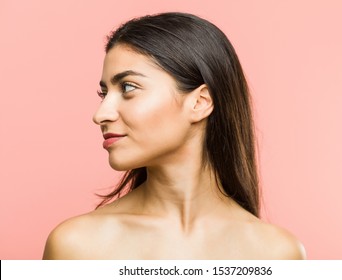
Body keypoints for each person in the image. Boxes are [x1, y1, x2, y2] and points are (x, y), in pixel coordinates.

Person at [43, 12, 305, 259]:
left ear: (200, 102)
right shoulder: (76, 246)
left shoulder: (278, 253)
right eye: (104, 93)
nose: (101, 114)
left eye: (128, 87)